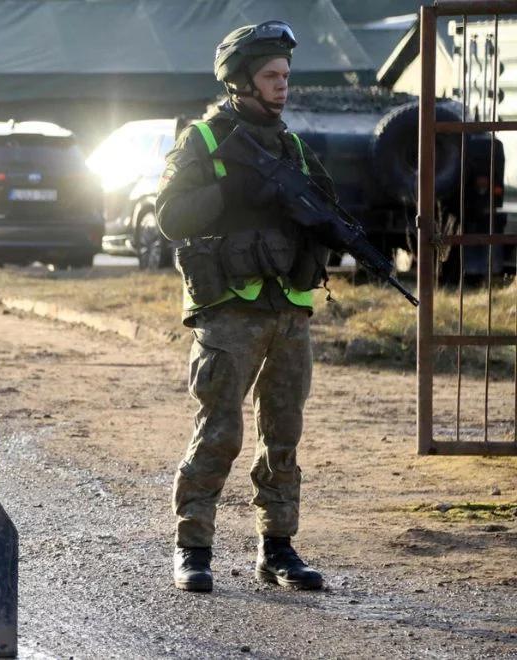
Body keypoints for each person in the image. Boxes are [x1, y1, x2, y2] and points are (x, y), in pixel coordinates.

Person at [156, 20, 331, 594]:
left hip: (289, 310)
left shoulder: (295, 147)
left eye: (285, 75)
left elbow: (327, 213)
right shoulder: (204, 141)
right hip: (230, 310)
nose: (283, 86)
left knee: (283, 436)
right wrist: (231, 191)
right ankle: (193, 549)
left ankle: (278, 549)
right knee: (220, 432)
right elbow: (171, 218)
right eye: (270, 76)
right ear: (240, 82)